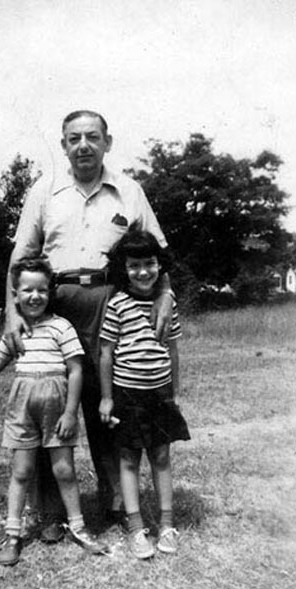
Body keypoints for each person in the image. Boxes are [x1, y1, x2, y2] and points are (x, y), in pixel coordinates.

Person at [5, 110, 174, 536]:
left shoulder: (129, 191)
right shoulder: (44, 191)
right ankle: (52, 513)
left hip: (109, 300)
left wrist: (165, 295)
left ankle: (117, 501)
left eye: (92, 137)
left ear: (107, 142)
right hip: (55, 303)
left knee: (108, 401)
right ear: (63, 145)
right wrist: (12, 312)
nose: (84, 145)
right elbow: (19, 259)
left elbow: (158, 251)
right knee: (50, 402)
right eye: (74, 138)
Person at [0, 257, 108, 566]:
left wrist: (69, 412)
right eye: (27, 290)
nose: (34, 296)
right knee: (22, 471)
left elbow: (75, 371)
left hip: (56, 407)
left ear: (50, 291)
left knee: (64, 470)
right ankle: (13, 534)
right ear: (15, 293)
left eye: (41, 290)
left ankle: (78, 527)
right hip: (22, 408)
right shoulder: (15, 333)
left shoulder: (61, 327)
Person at [99, 225, 190, 559]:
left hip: (159, 393)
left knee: (162, 455)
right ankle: (137, 528)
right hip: (127, 394)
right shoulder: (118, 305)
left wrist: (174, 392)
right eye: (134, 265)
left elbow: (174, 350)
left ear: (159, 264)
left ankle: (167, 524)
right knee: (128, 458)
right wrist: (107, 397)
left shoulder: (167, 303)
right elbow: (106, 353)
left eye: (150, 263)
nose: (143, 272)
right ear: (124, 269)